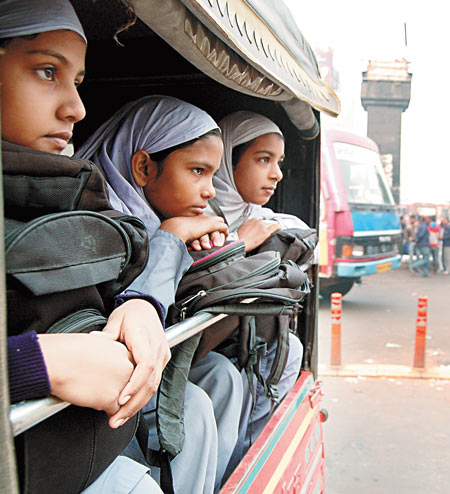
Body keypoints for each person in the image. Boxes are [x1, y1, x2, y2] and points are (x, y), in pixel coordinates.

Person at [0, 1, 166, 491]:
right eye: (47, 70)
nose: (77, 108)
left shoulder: (66, 196)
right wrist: (32, 364)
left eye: (77, 81)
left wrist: (136, 304)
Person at [75, 95, 244, 492]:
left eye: (212, 175)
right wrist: (170, 238)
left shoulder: (164, 221)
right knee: (194, 409)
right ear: (143, 167)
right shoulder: (98, 225)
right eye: (197, 171)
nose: (209, 191)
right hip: (98, 411)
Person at [207, 110, 306, 476]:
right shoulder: (199, 213)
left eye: (278, 162)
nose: (277, 174)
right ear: (228, 163)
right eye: (263, 160)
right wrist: (238, 243)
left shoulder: (256, 214)